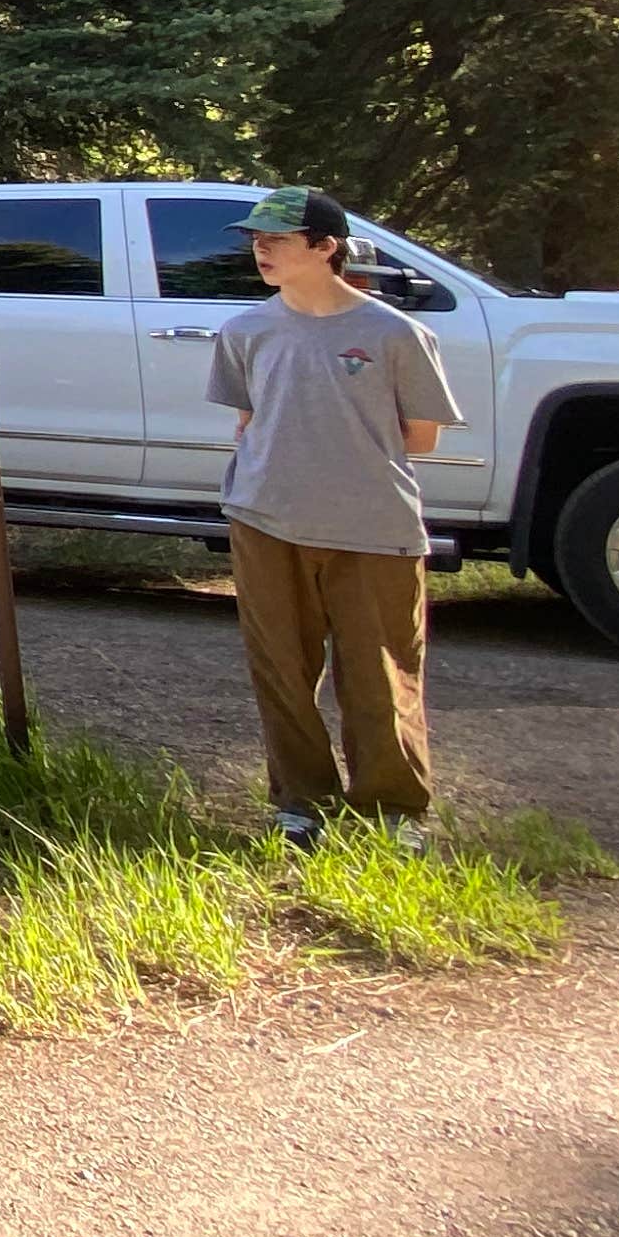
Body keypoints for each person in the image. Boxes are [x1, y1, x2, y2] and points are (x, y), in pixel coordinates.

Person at [207, 189, 462, 850]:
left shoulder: (396, 334)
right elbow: (246, 423)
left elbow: (422, 436)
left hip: (371, 527)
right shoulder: (245, 331)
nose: (262, 249)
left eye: (279, 238)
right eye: (256, 239)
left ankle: (393, 811)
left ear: (326, 246)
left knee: (379, 672)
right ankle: (301, 805)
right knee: (281, 670)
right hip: (265, 521)